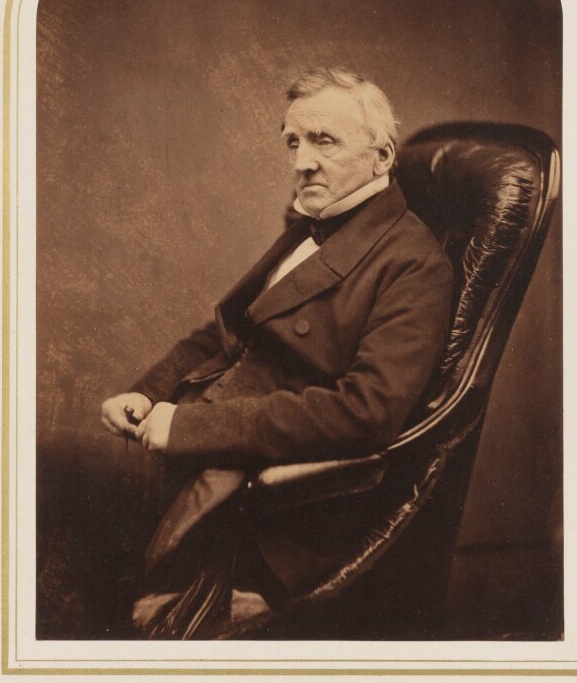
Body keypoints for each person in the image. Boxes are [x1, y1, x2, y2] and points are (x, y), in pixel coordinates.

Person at [100, 68, 454, 638]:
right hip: (194, 442)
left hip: (273, 514)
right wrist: (146, 392)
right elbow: (225, 334)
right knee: (54, 477)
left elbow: (365, 412)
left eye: (324, 141)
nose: (301, 162)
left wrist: (188, 428)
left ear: (382, 157)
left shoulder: (413, 264)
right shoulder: (310, 224)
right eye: (294, 141)